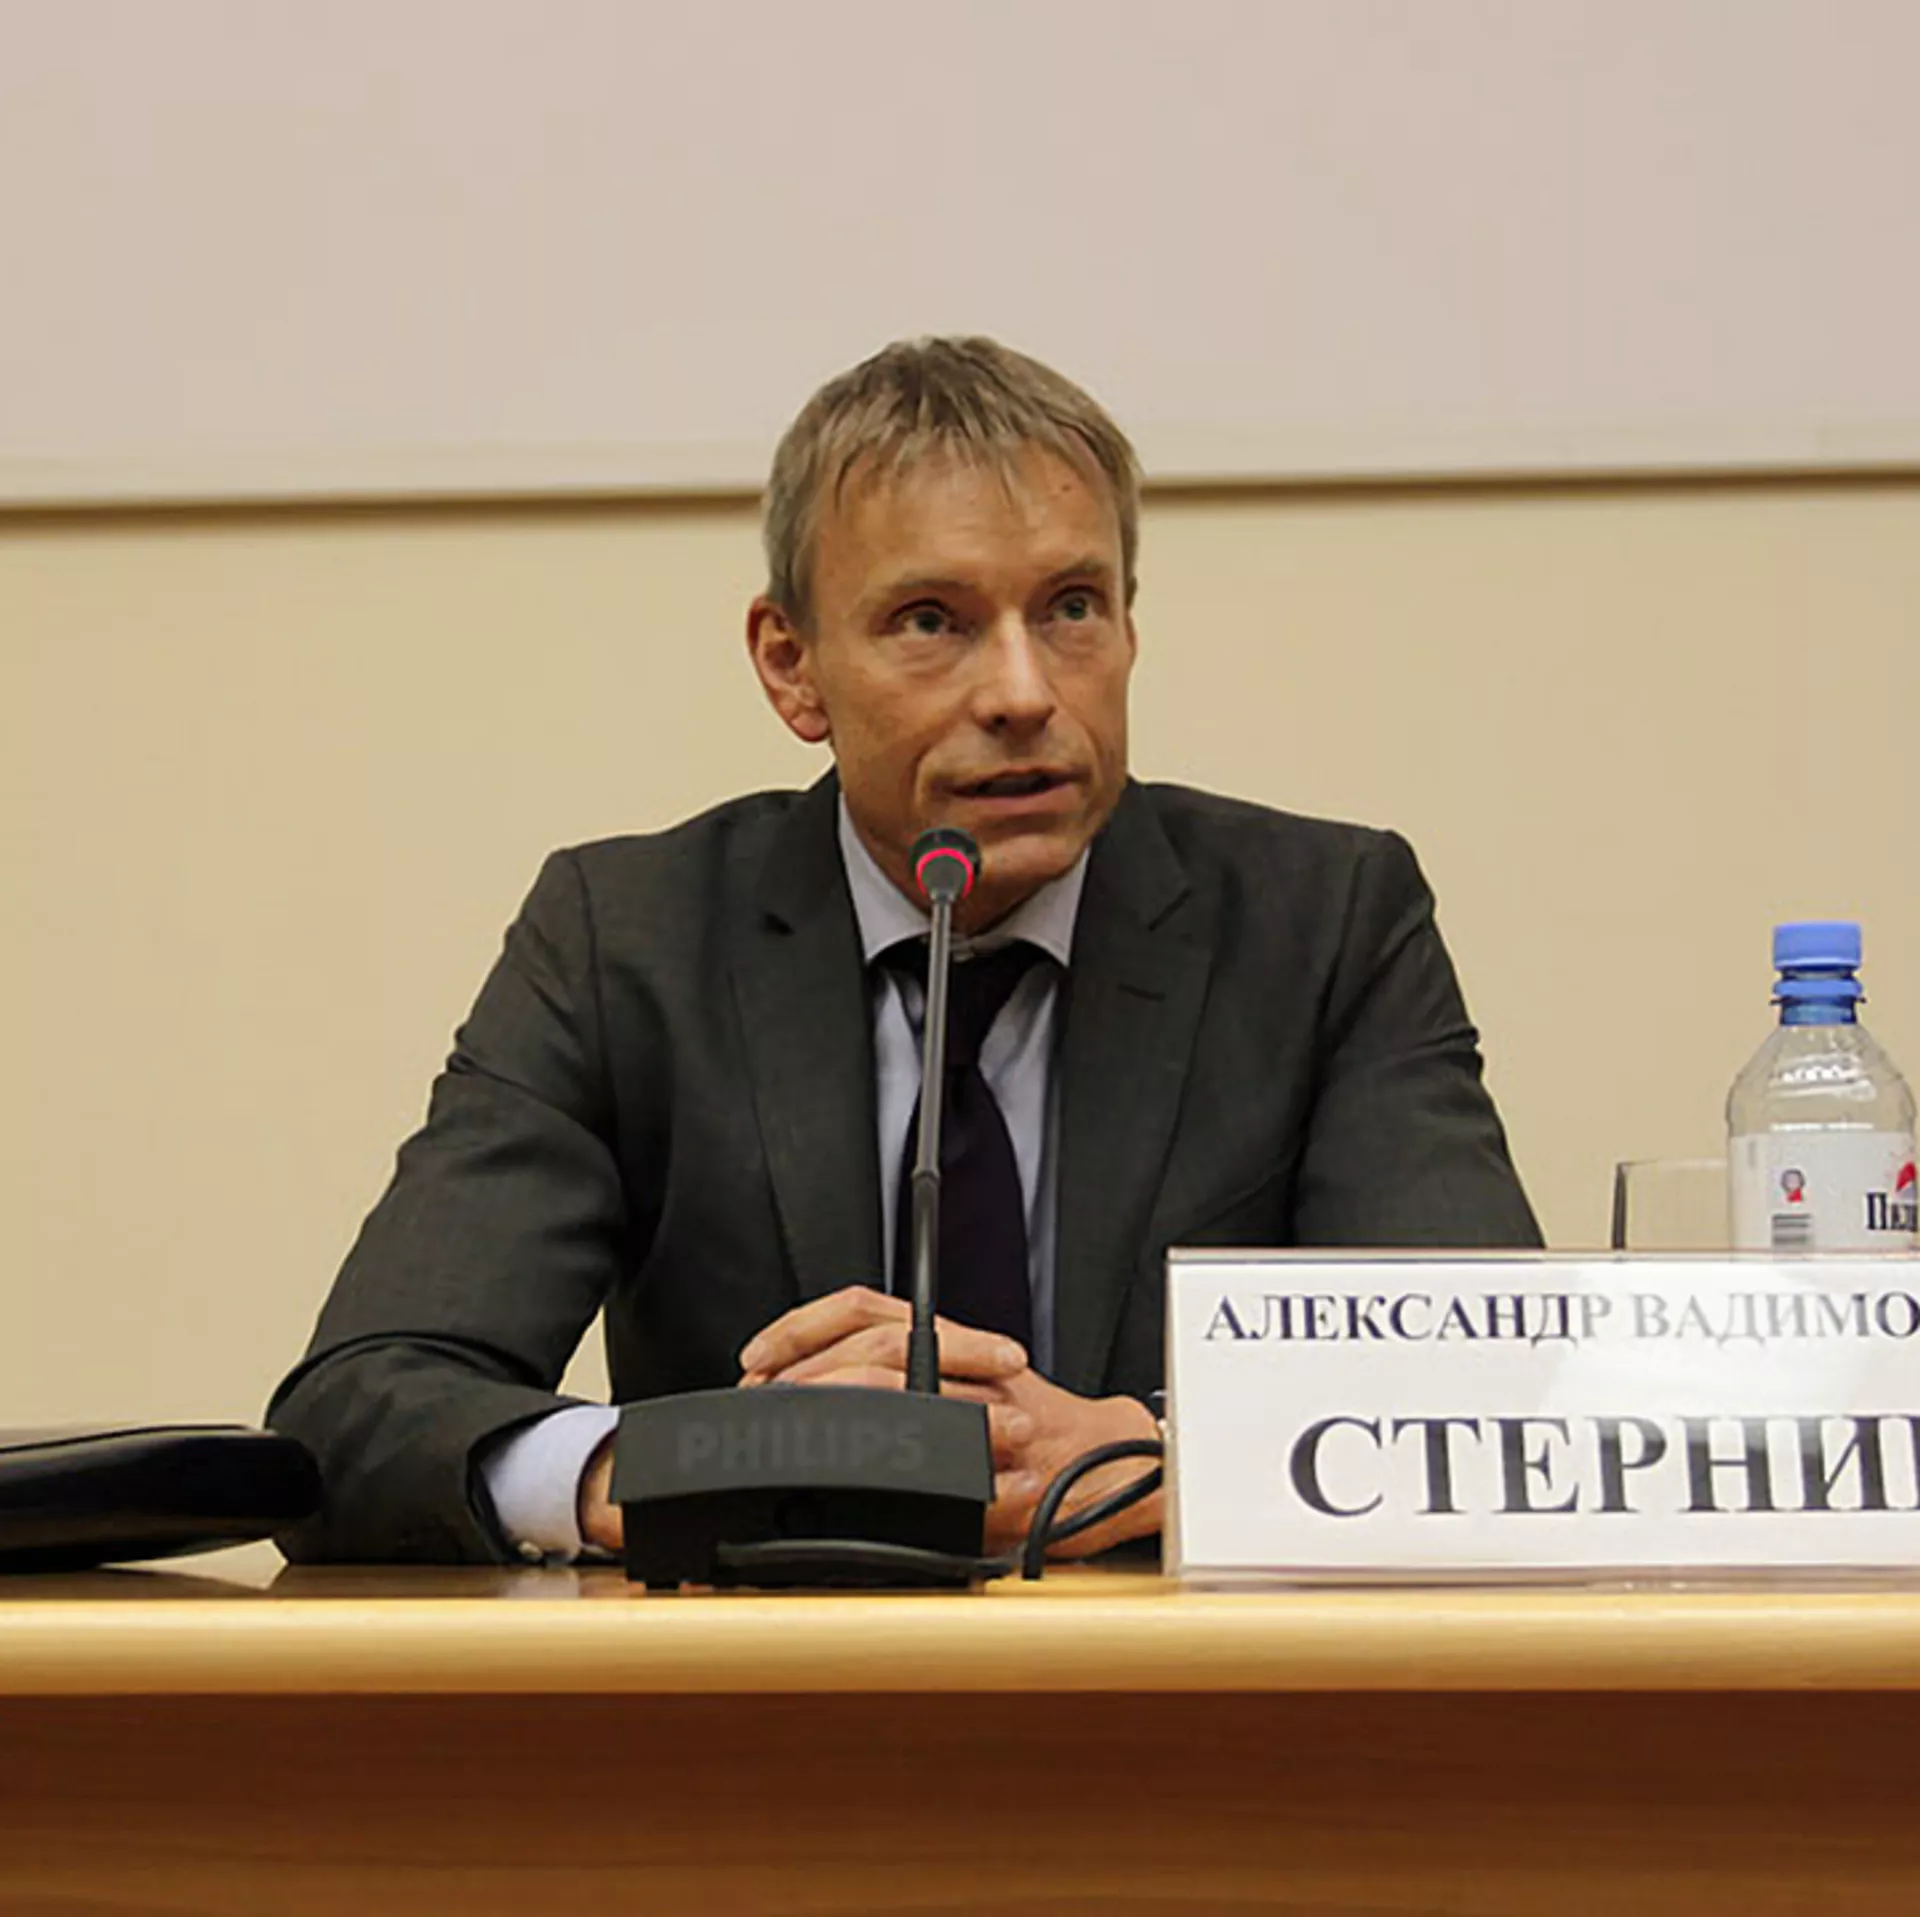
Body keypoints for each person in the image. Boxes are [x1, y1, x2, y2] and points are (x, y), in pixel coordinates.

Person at [267, 336, 1541, 1564]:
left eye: (1073, 608)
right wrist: (686, 1465)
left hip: (1193, 1693)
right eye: (933, 621)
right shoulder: (630, 943)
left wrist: (1170, 1449)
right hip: (767, 1690)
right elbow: (356, 1416)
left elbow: (1501, 1397)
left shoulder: (1322, 925)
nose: (1024, 692)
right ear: (792, 667)